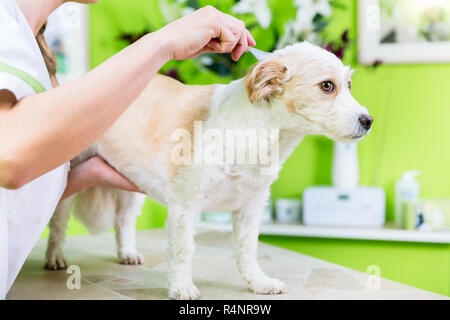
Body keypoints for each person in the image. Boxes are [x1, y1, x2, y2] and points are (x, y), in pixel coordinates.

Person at [0, 0, 255, 298]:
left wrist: (90, 174)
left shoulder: (33, 49)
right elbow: (8, 157)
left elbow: (17, 193)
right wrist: (161, 43)